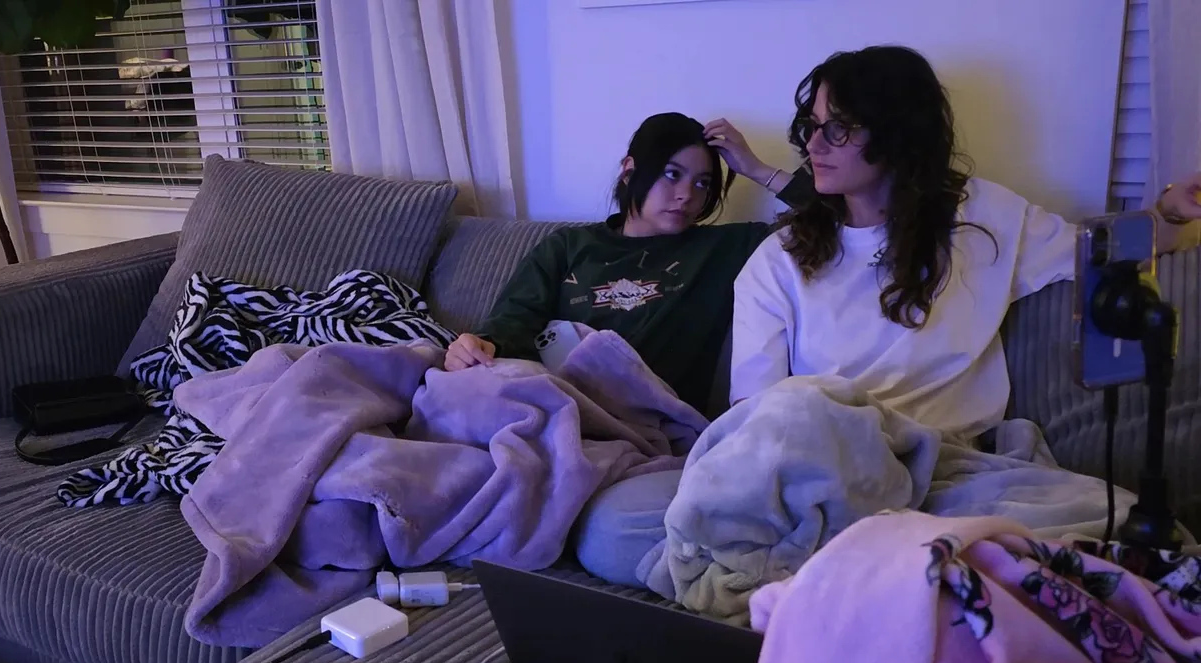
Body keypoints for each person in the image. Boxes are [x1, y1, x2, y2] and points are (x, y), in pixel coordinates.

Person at [574, 44, 1201, 589]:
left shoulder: (982, 221)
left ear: (897, 133)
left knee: (1131, 528)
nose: (812, 144)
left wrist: (1171, 216)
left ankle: (849, 573)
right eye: (812, 126)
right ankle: (879, 570)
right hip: (807, 474)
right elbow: (754, 420)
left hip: (942, 472)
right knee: (612, 525)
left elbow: (1101, 250)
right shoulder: (777, 259)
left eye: (838, 129)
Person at [443, 111, 814, 414]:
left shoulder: (722, 249)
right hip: (547, 399)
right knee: (429, 372)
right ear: (629, 170)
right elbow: (512, 322)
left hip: (641, 420)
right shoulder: (569, 246)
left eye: (702, 183)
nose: (686, 195)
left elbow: (835, 216)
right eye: (672, 174)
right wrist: (478, 346)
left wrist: (756, 169)